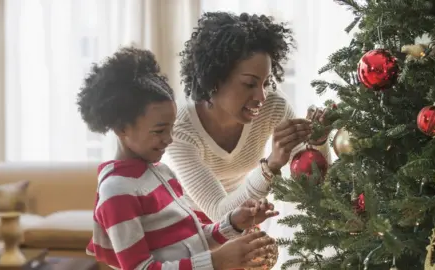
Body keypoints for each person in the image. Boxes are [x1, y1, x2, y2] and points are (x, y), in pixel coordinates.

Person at [76, 47, 279, 270]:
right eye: (159, 131)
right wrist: (217, 261)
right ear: (122, 128)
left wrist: (233, 222)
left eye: (171, 129)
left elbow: (196, 239)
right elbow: (140, 268)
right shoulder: (117, 191)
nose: (169, 139)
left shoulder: (161, 172)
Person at [167, 11, 330, 225]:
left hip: (243, 211)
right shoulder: (180, 127)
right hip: (183, 220)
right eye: (249, 84)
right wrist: (270, 165)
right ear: (215, 79)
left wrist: (317, 142)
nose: (261, 96)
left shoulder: (273, 106)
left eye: (265, 83)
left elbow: (313, 184)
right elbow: (219, 212)